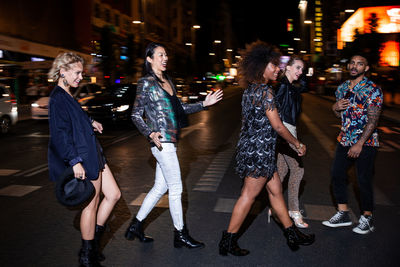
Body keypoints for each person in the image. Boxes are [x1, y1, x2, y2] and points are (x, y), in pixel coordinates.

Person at [218, 41, 314, 256]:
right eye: (273, 65)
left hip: (255, 149)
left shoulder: (250, 91)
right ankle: (227, 240)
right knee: (248, 196)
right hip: (260, 152)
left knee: (276, 191)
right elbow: (278, 126)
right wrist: (297, 143)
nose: (277, 68)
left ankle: (291, 234)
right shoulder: (266, 93)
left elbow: (247, 121)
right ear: (262, 68)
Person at [126, 42, 223, 249]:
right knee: (176, 188)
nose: (165, 58)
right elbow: (135, 114)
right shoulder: (146, 83)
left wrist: (204, 104)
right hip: (161, 142)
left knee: (160, 187)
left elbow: (180, 110)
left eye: (166, 55)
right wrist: (149, 132)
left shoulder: (168, 80)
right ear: (150, 59)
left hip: (172, 140)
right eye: (160, 55)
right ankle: (180, 234)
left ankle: (135, 225)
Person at [48, 52, 121, 266]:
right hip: (83, 155)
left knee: (114, 194)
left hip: (93, 151)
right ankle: (87, 256)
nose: (81, 76)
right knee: (91, 204)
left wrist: (91, 121)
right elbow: (61, 133)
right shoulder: (57, 98)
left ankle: (93, 245)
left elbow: (76, 118)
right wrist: (74, 161)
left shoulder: (68, 94)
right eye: (77, 72)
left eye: (82, 72)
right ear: (63, 71)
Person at [322, 54, 383, 234]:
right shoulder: (341, 89)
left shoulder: (373, 89)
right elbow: (338, 114)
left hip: (366, 142)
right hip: (344, 139)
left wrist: (360, 144)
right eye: (353, 63)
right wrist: (334, 107)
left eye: (360, 64)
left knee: (362, 180)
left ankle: (367, 217)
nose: (355, 66)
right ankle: (343, 213)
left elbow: (373, 121)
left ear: (366, 68)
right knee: (337, 175)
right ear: (349, 66)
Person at [275, 56, 309, 228]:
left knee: (281, 172)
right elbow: (274, 113)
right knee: (298, 171)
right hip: (285, 132)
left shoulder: (292, 87)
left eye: (302, 69)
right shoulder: (282, 86)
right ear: (287, 67)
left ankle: (274, 208)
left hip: (289, 130)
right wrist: (293, 141)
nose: (300, 72)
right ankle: (293, 211)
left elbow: (305, 86)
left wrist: (300, 75)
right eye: (297, 68)